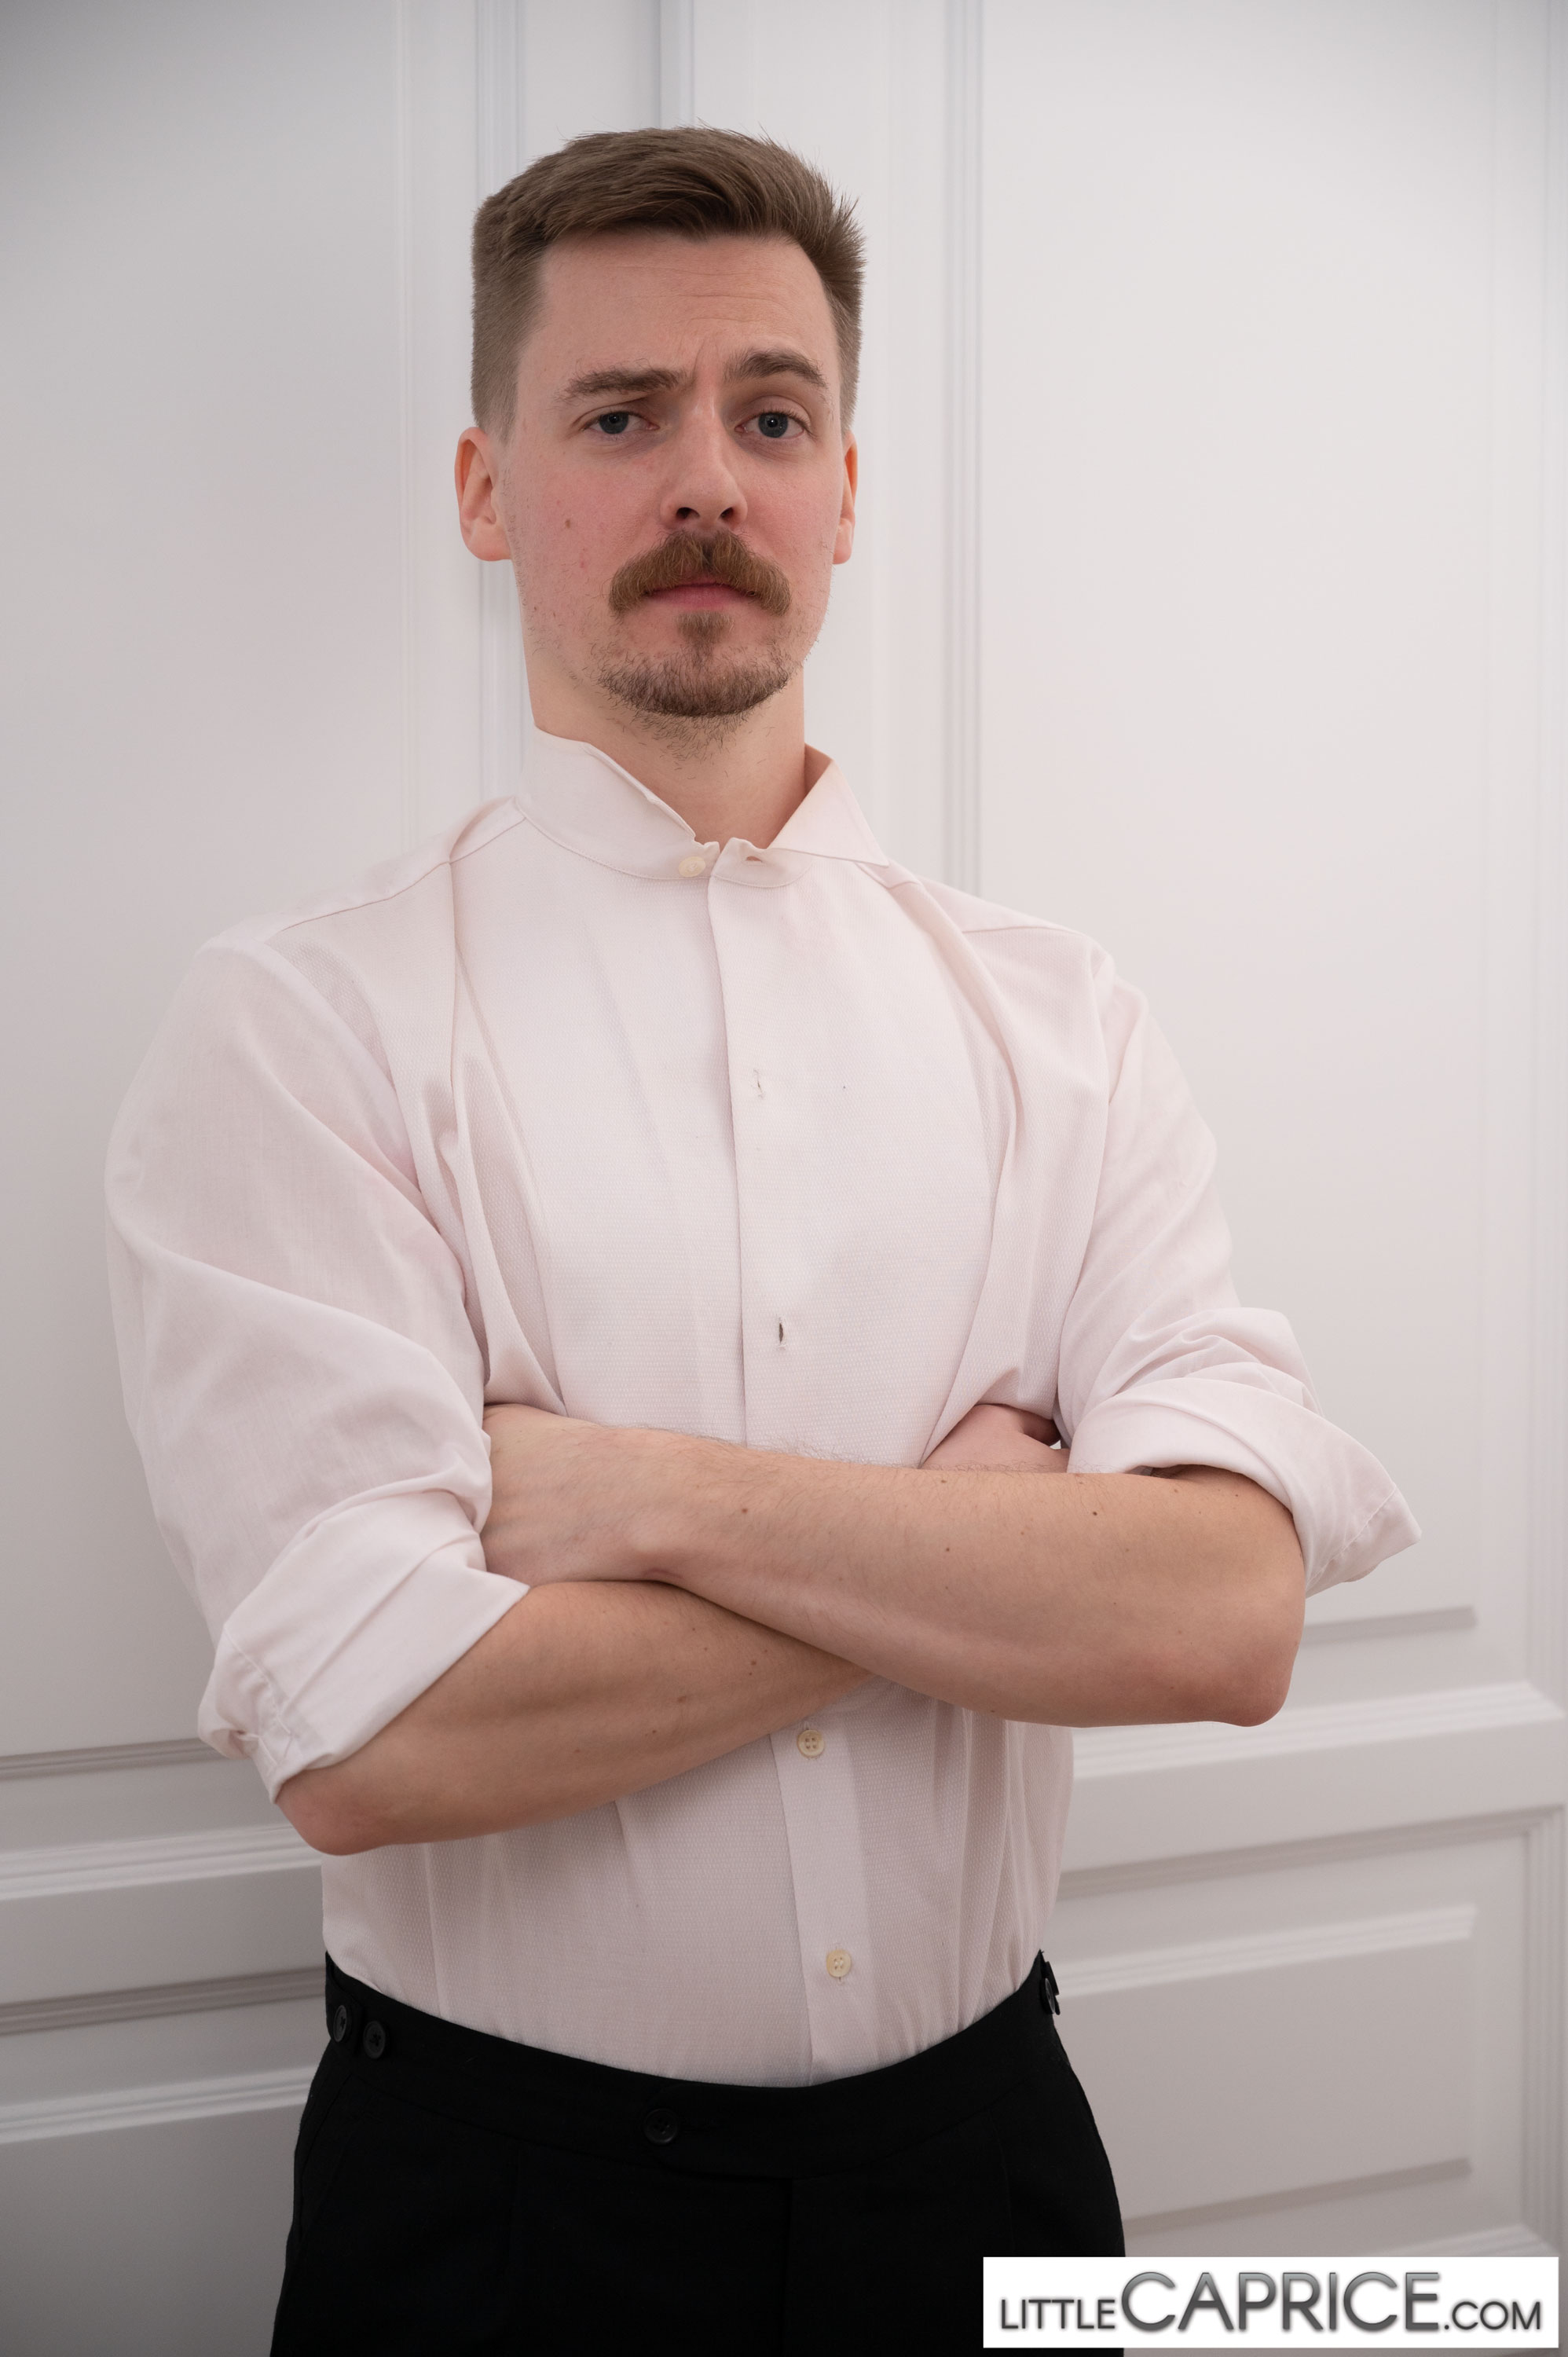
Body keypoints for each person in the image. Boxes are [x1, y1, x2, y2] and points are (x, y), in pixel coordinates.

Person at [105, 127, 1417, 2355]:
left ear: (844, 491)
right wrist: (979, 1546)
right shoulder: (306, 1024)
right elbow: (371, 1744)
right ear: (486, 488)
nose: (707, 477)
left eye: (773, 417)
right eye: (621, 414)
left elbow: (1222, 1613)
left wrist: (641, 1499)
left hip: (996, 2164)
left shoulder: (1063, 1020)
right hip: (501, 2219)